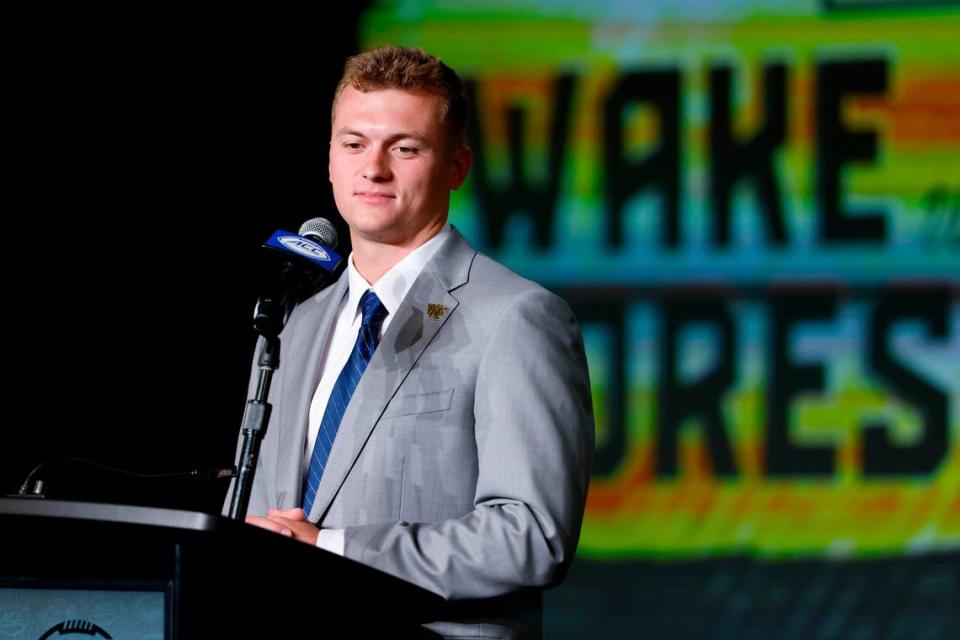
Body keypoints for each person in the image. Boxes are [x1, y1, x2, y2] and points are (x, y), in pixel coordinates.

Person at [229, 45, 594, 639]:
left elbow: (531, 536)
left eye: (404, 147)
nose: (373, 168)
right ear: (328, 159)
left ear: (456, 167)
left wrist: (334, 549)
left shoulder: (518, 318)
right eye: (353, 144)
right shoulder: (294, 321)